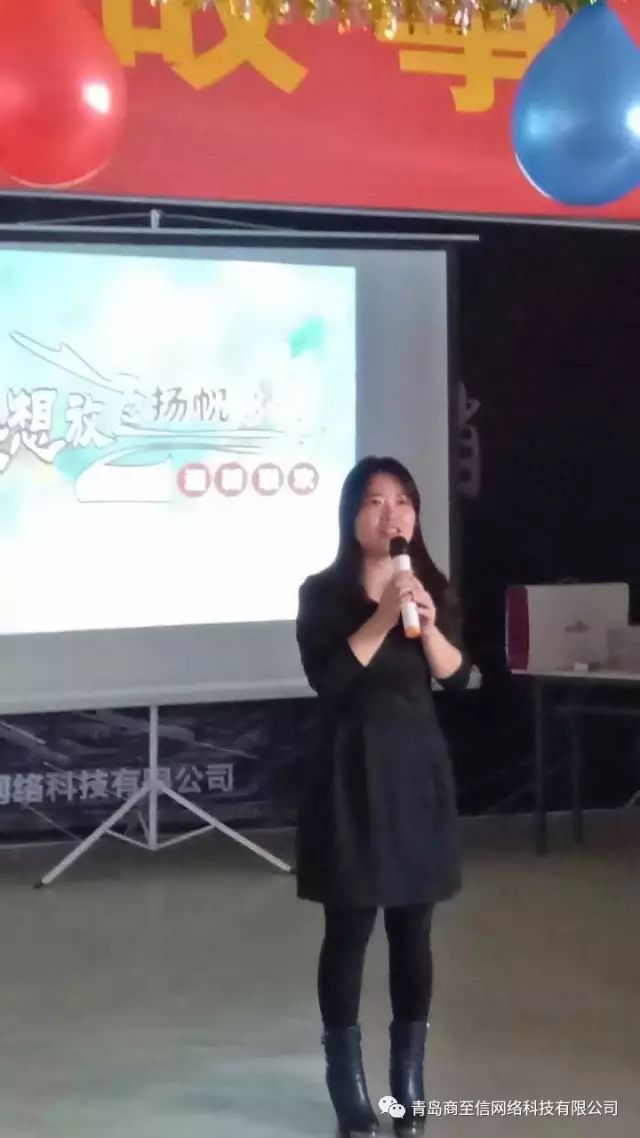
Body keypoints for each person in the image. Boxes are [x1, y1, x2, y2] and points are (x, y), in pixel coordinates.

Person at [295, 456, 471, 1138]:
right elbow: (330, 678)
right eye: (374, 501)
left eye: (402, 501)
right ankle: (348, 1085)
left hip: (414, 775)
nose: (391, 514)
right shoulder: (321, 594)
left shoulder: (432, 589)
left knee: (413, 933)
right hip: (348, 774)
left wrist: (424, 621)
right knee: (348, 932)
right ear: (352, 515)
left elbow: (457, 677)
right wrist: (383, 616)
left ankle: (408, 1082)